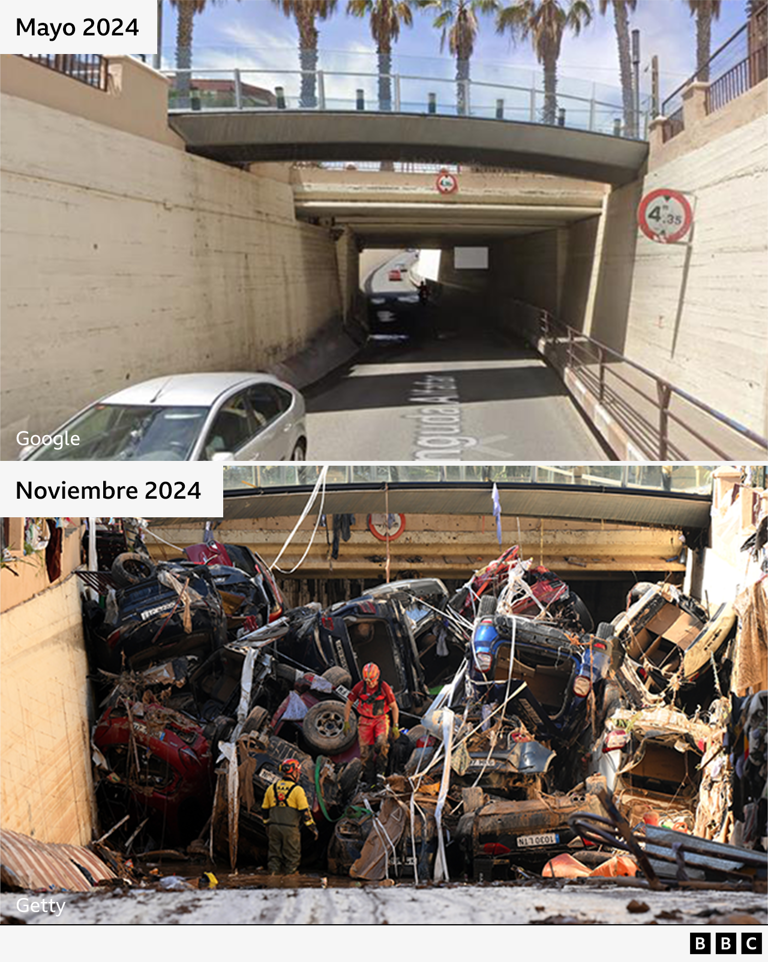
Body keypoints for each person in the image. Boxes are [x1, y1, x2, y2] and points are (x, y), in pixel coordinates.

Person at [343, 661, 400, 788]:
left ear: (377, 676)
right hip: (365, 721)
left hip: (380, 720)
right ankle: (369, 780)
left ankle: (380, 775)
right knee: (365, 751)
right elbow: (348, 704)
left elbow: (394, 707)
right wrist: (346, 721)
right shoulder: (359, 687)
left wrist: (395, 725)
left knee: (381, 744)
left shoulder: (384, 687)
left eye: (372, 680)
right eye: (367, 681)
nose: (370, 683)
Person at [261, 758, 318, 876]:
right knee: (292, 857)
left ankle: (273, 879)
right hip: (290, 830)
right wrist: (313, 828)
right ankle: (290, 882)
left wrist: (267, 825)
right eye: (298, 772)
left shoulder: (271, 788)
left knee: (274, 857)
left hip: (273, 828)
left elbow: (265, 810)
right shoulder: (298, 790)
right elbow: (305, 812)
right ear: (294, 772)